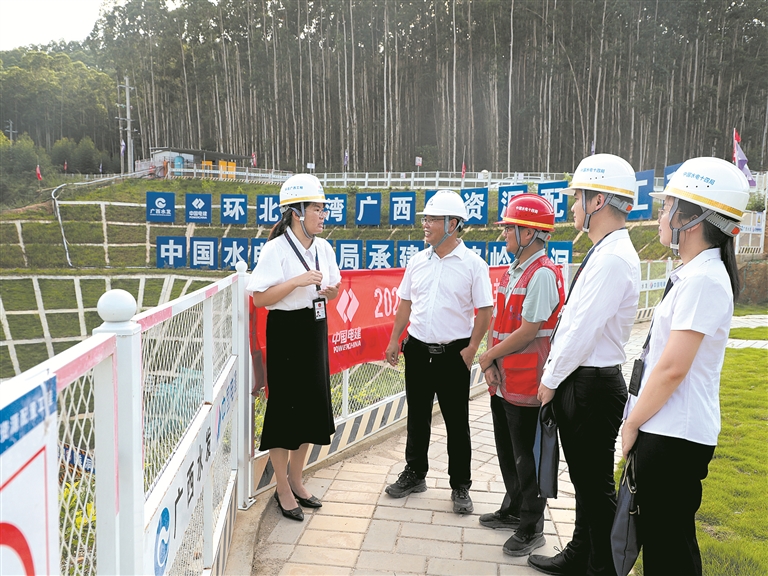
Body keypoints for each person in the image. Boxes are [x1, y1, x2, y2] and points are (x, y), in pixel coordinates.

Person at [621, 158, 749, 575]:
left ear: (690, 219)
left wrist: (632, 423)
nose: (661, 216)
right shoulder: (695, 274)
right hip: (667, 429)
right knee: (663, 546)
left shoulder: (705, 280)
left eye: (666, 207)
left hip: (674, 435)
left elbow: (672, 368)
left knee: (669, 550)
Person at [528, 154, 641, 576]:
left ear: (597, 201)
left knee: (594, 486)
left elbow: (582, 331)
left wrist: (550, 380)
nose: (573, 205)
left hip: (590, 384)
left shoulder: (612, 258)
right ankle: (581, 553)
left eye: (578, 198)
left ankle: (604, 567)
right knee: (585, 481)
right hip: (586, 380)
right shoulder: (606, 250)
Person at [384, 190, 494, 514]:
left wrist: (472, 348)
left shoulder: (473, 265)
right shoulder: (418, 262)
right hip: (417, 350)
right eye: (425, 219)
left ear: (453, 224)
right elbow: (405, 304)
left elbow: (485, 310)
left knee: (456, 422)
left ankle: (460, 485)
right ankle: (415, 473)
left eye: (432, 219)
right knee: (417, 416)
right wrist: (394, 340)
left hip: (454, 354)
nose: (426, 224)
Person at [247, 173, 341, 522]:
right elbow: (260, 299)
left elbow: (336, 288)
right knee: (285, 409)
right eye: (317, 209)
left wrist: (331, 291)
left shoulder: (324, 248)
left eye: (323, 209)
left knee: (311, 406)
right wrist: (297, 281)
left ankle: (298, 480)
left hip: (315, 326)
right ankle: (282, 487)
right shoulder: (275, 249)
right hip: (286, 330)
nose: (323, 215)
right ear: (297, 212)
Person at [478, 194, 565, 556]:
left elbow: (528, 332)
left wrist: (488, 357)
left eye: (509, 229)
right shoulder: (514, 270)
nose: (504, 235)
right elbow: (500, 324)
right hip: (505, 378)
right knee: (509, 452)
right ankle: (513, 508)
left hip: (528, 380)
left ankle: (532, 526)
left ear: (529, 233)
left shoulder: (541, 274)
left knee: (527, 457)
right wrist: (492, 364)